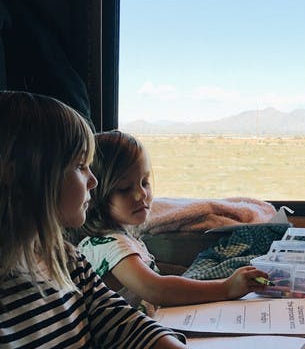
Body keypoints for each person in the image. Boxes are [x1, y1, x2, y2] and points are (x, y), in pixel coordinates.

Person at [0, 91, 185, 348]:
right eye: (79, 165)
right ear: (17, 174)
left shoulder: (67, 261)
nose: (93, 181)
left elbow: (124, 324)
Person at [72, 130, 269, 310]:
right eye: (124, 189)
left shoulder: (124, 236)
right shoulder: (107, 245)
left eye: (145, 182)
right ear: (95, 195)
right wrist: (226, 288)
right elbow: (156, 289)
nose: (141, 194)